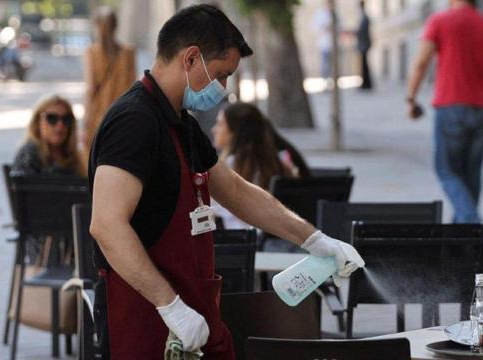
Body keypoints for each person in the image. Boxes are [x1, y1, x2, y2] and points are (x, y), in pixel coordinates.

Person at [88, 5, 364, 359]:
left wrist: (313, 239)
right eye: (221, 74)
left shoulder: (182, 122)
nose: (223, 88)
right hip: (143, 314)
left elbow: (235, 191)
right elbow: (107, 225)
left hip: (192, 304)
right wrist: (169, 305)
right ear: (190, 59)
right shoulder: (133, 121)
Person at [406, 0, 483, 223]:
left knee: (447, 169)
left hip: (450, 104)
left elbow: (421, 62)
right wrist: (482, 82)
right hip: (481, 106)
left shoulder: (440, 21)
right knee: (472, 172)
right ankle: (464, 238)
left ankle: (472, 223)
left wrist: (411, 97)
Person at [211, 102, 304, 229]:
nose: (214, 129)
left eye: (220, 124)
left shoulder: (228, 168)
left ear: (235, 131)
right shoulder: (278, 163)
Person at [82, 6, 136, 161]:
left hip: (98, 116)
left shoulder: (92, 52)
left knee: (96, 160)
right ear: (116, 26)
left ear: (97, 26)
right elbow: (133, 86)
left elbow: (91, 89)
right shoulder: (129, 52)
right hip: (123, 116)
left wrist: (85, 123)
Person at [11, 94, 83, 177]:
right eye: (52, 118)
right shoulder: (29, 153)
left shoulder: (73, 157)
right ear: (38, 122)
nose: (60, 125)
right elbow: (21, 188)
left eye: (66, 119)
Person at [356, 0, 373, 90]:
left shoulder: (365, 17)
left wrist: (355, 33)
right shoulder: (363, 16)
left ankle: (367, 84)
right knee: (363, 64)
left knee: (364, 65)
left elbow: (362, 32)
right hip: (363, 43)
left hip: (364, 44)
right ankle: (365, 83)